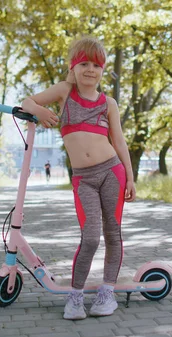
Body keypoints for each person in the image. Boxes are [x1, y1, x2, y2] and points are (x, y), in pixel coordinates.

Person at [21, 36, 136, 320]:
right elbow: (27, 101)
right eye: (83, 63)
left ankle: (107, 293)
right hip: (83, 179)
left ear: (102, 70)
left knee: (112, 234)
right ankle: (75, 296)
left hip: (112, 172)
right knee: (90, 237)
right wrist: (37, 110)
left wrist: (131, 178)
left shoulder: (108, 103)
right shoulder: (64, 92)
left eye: (96, 65)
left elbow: (119, 143)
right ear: (73, 67)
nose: (90, 69)